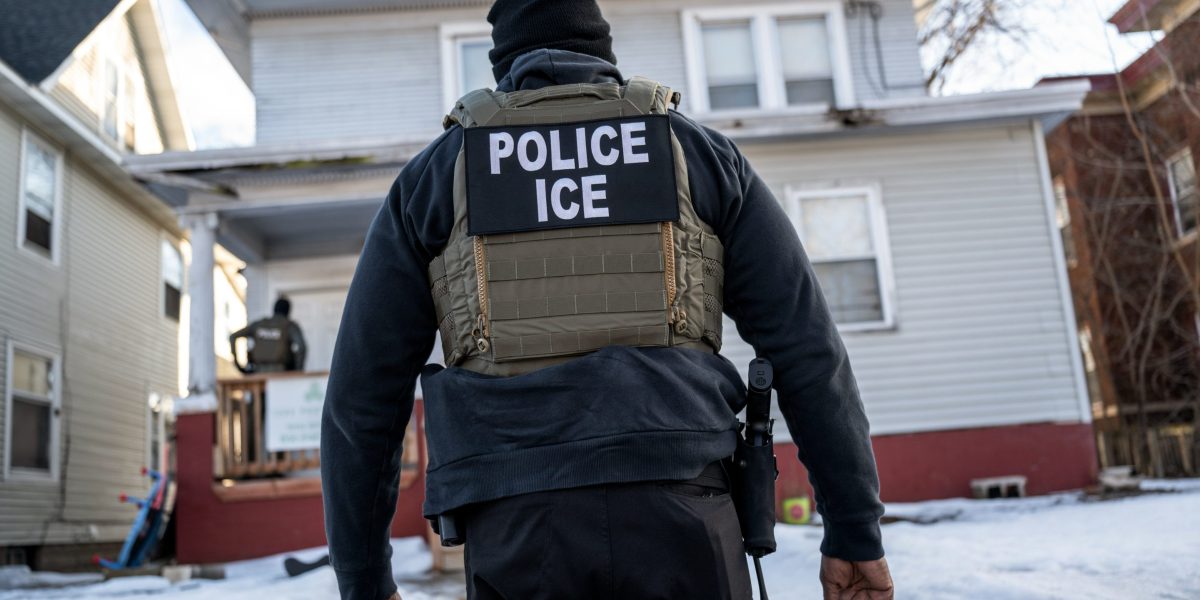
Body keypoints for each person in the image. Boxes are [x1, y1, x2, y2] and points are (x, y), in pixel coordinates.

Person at [321, 1, 893, 599]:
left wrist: (362, 580)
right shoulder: (699, 154)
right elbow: (807, 350)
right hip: (686, 507)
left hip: (516, 525)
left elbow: (363, 399)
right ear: (602, 51)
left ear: (503, 64)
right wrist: (853, 529)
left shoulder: (435, 177)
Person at [230, 297, 307, 373]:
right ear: (288, 311)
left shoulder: (258, 325)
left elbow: (233, 337)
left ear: (274, 309)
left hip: (258, 374)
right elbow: (301, 347)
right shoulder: (289, 325)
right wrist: (298, 371)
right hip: (281, 375)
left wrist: (238, 365)